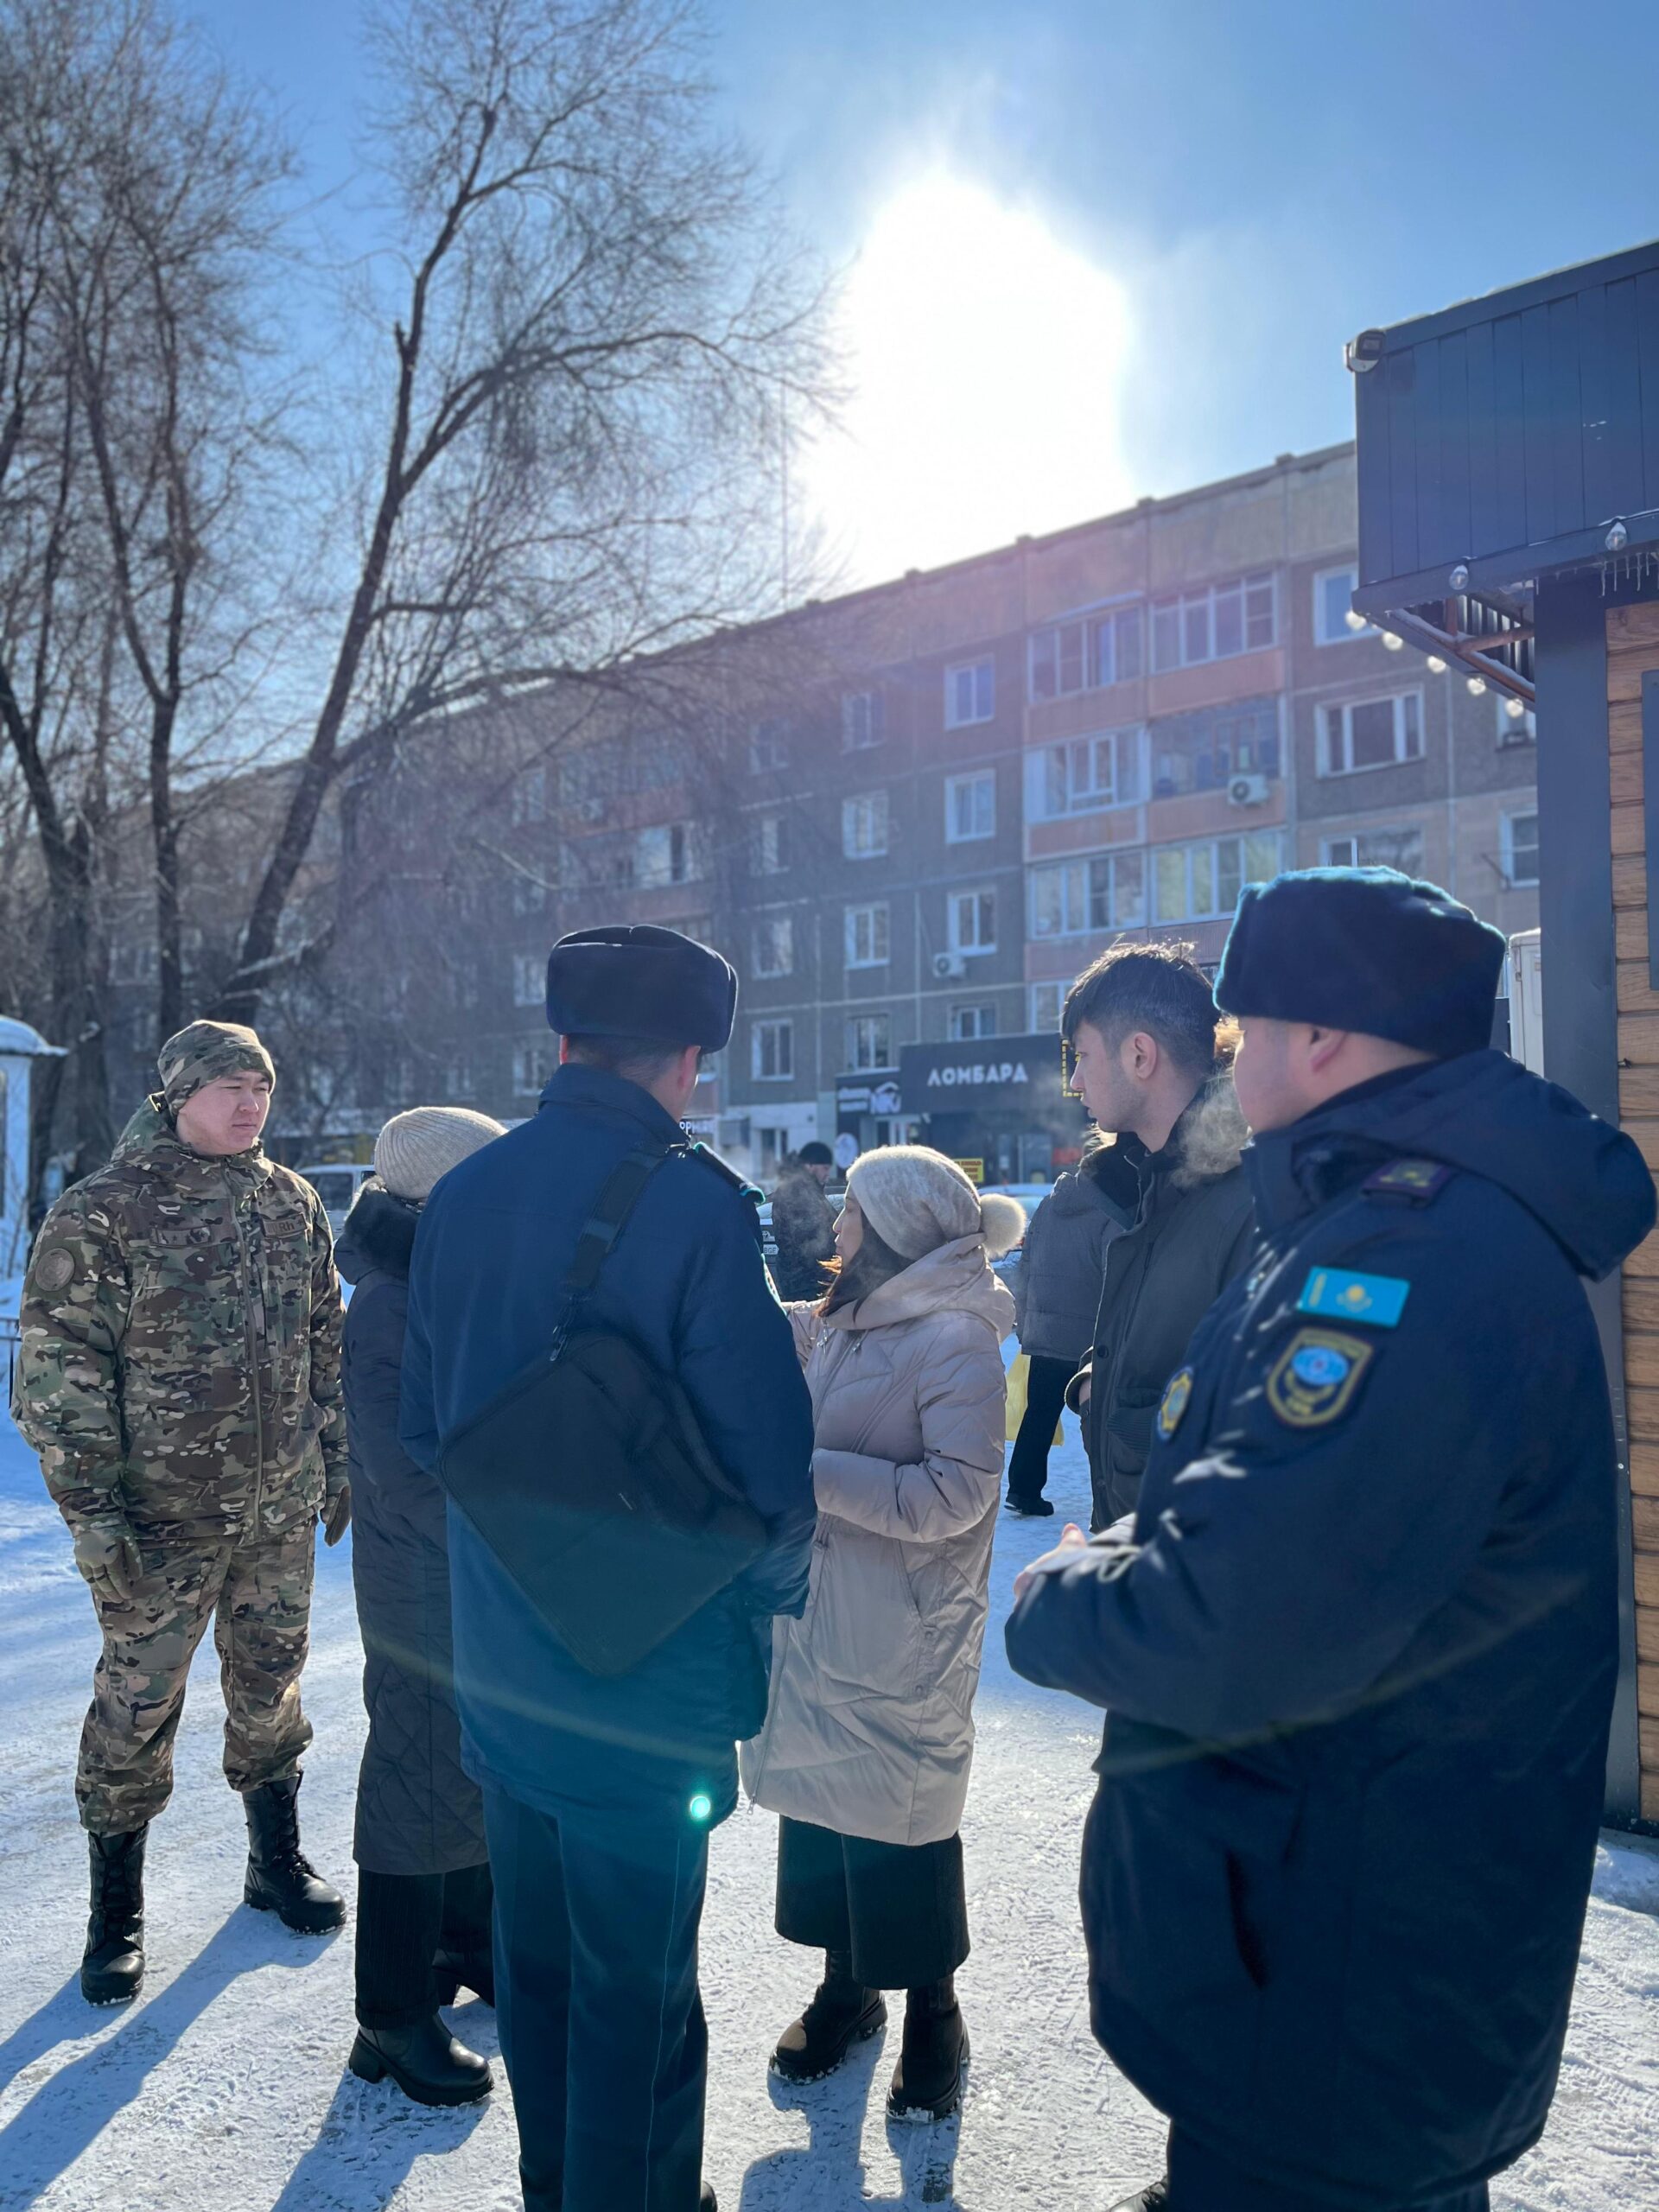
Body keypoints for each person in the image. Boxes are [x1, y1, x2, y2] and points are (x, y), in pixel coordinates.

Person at [1006, 867, 1656, 2212]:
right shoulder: (1389, 1221)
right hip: (1346, 1955)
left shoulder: (1408, 1257)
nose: (1230, 1067)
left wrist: (1064, 1593)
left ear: (1322, 1040)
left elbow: (1240, 1617)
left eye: (1242, 1035)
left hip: (1336, 1982)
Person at [401, 924, 816, 2212]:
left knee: (539, 1982)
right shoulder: (691, 1202)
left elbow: (428, 1432)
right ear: (689, 1060)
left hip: (501, 1667)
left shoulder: (462, 1192)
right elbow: (769, 1469)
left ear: (563, 1042)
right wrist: (768, 1601)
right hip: (647, 1681)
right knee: (640, 1996)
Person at [14, 1020, 350, 2007]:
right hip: (158, 1522)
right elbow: (59, 1378)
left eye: (262, 1086)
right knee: (136, 1705)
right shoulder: (105, 1211)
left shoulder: (289, 1203)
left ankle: (273, 1861)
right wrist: (95, 1516)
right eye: (228, 1086)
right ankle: (114, 1910)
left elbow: (324, 1336)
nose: (250, 1103)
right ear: (177, 1095)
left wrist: (336, 1461)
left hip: (274, 1511)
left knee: (273, 1686)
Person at [741, 1150, 1022, 2122]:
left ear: (897, 1226)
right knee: (825, 1810)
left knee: (903, 1826)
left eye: (853, 1211)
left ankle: (934, 2012)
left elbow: (960, 1494)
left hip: (903, 1630)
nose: (837, 1227)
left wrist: (810, 1472)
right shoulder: (849, 1319)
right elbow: (779, 1336)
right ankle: (845, 1990)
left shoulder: (954, 1337)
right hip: (824, 1614)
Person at [338, 1104, 506, 2108]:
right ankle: (389, 2014)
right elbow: (409, 1474)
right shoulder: (393, 1303)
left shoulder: (438, 1276)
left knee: (468, 1761)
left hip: (458, 1570)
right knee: (416, 1771)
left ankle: (467, 1943)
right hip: (424, 1574)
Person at [1062, 944, 1255, 1531]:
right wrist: (1102, 1383)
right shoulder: (1162, 1183)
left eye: (1082, 1055)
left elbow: (1253, 1457)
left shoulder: (1247, 1200)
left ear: (1140, 1054)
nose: (1074, 1081)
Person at [1006, 1136, 1127, 1517]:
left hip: (1044, 1331)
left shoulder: (1048, 1206)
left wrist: (1025, 1321)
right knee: (1098, 1418)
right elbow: (1116, 1274)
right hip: (1089, 1336)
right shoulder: (1110, 1213)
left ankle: (1022, 1491)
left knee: (1039, 1412)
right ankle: (1107, 1497)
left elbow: (1025, 1266)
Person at [770, 1141, 837, 1300]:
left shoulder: (807, 1189)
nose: (828, 1174)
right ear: (809, 1166)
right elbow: (809, 1239)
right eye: (825, 1168)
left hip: (807, 1279)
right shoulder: (797, 1192)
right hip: (806, 1282)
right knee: (809, 1324)